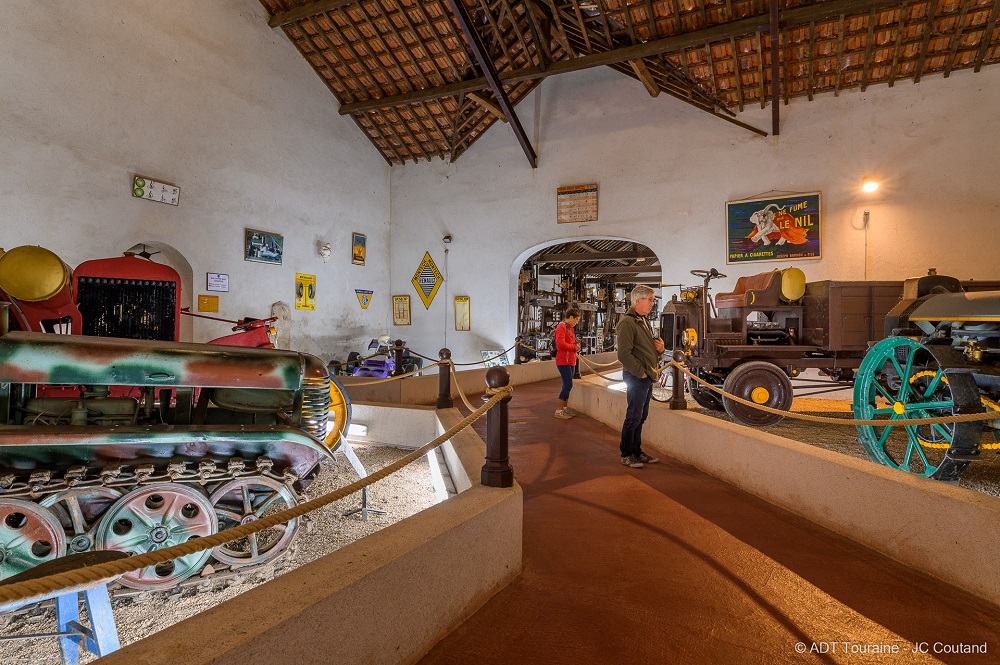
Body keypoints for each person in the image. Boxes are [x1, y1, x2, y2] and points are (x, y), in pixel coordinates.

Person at [615, 285, 665, 468]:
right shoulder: (627, 322)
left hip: (645, 376)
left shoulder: (642, 320)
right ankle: (626, 454)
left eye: (653, 300)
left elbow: (644, 349)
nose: (652, 303)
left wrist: (660, 350)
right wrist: (641, 372)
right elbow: (624, 354)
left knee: (641, 416)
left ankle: (636, 451)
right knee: (633, 417)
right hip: (637, 376)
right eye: (650, 299)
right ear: (638, 300)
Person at [553, 308, 582, 419]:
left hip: (570, 360)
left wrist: (576, 346)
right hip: (563, 361)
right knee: (568, 385)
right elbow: (560, 344)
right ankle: (559, 411)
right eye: (576, 319)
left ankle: (564, 408)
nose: (577, 322)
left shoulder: (570, 329)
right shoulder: (561, 327)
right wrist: (573, 347)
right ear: (571, 317)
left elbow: (571, 343)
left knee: (566, 385)